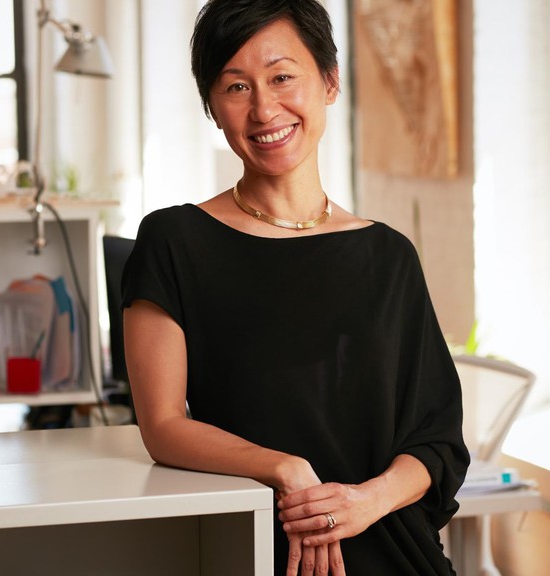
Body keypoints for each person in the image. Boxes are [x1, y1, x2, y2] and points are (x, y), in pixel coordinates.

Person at [121, 0, 469, 573]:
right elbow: (163, 426)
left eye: (283, 77)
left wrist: (363, 502)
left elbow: (438, 441)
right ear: (212, 106)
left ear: (329, 82)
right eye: (236, 87)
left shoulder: (388, 255)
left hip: (394, 549)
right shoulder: (174, 240)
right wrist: (286, 469)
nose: (263, 109)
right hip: (258, 546)